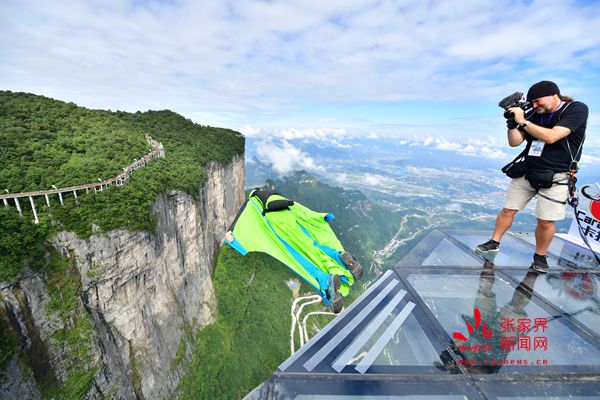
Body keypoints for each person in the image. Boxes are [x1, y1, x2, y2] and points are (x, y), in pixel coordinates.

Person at [477, 81, 588, 273]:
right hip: (528, 169)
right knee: (508, 209)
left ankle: (540, 256)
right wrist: (512, 123)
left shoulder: (575, 109)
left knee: (545, 220)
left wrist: (523, 121)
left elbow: (552, 136)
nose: (535, 105)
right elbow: (514, 142)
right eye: (532, 102)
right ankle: (493, 242)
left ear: (554, 95)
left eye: (538, 101)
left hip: (557, 174)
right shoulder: (533, 114)